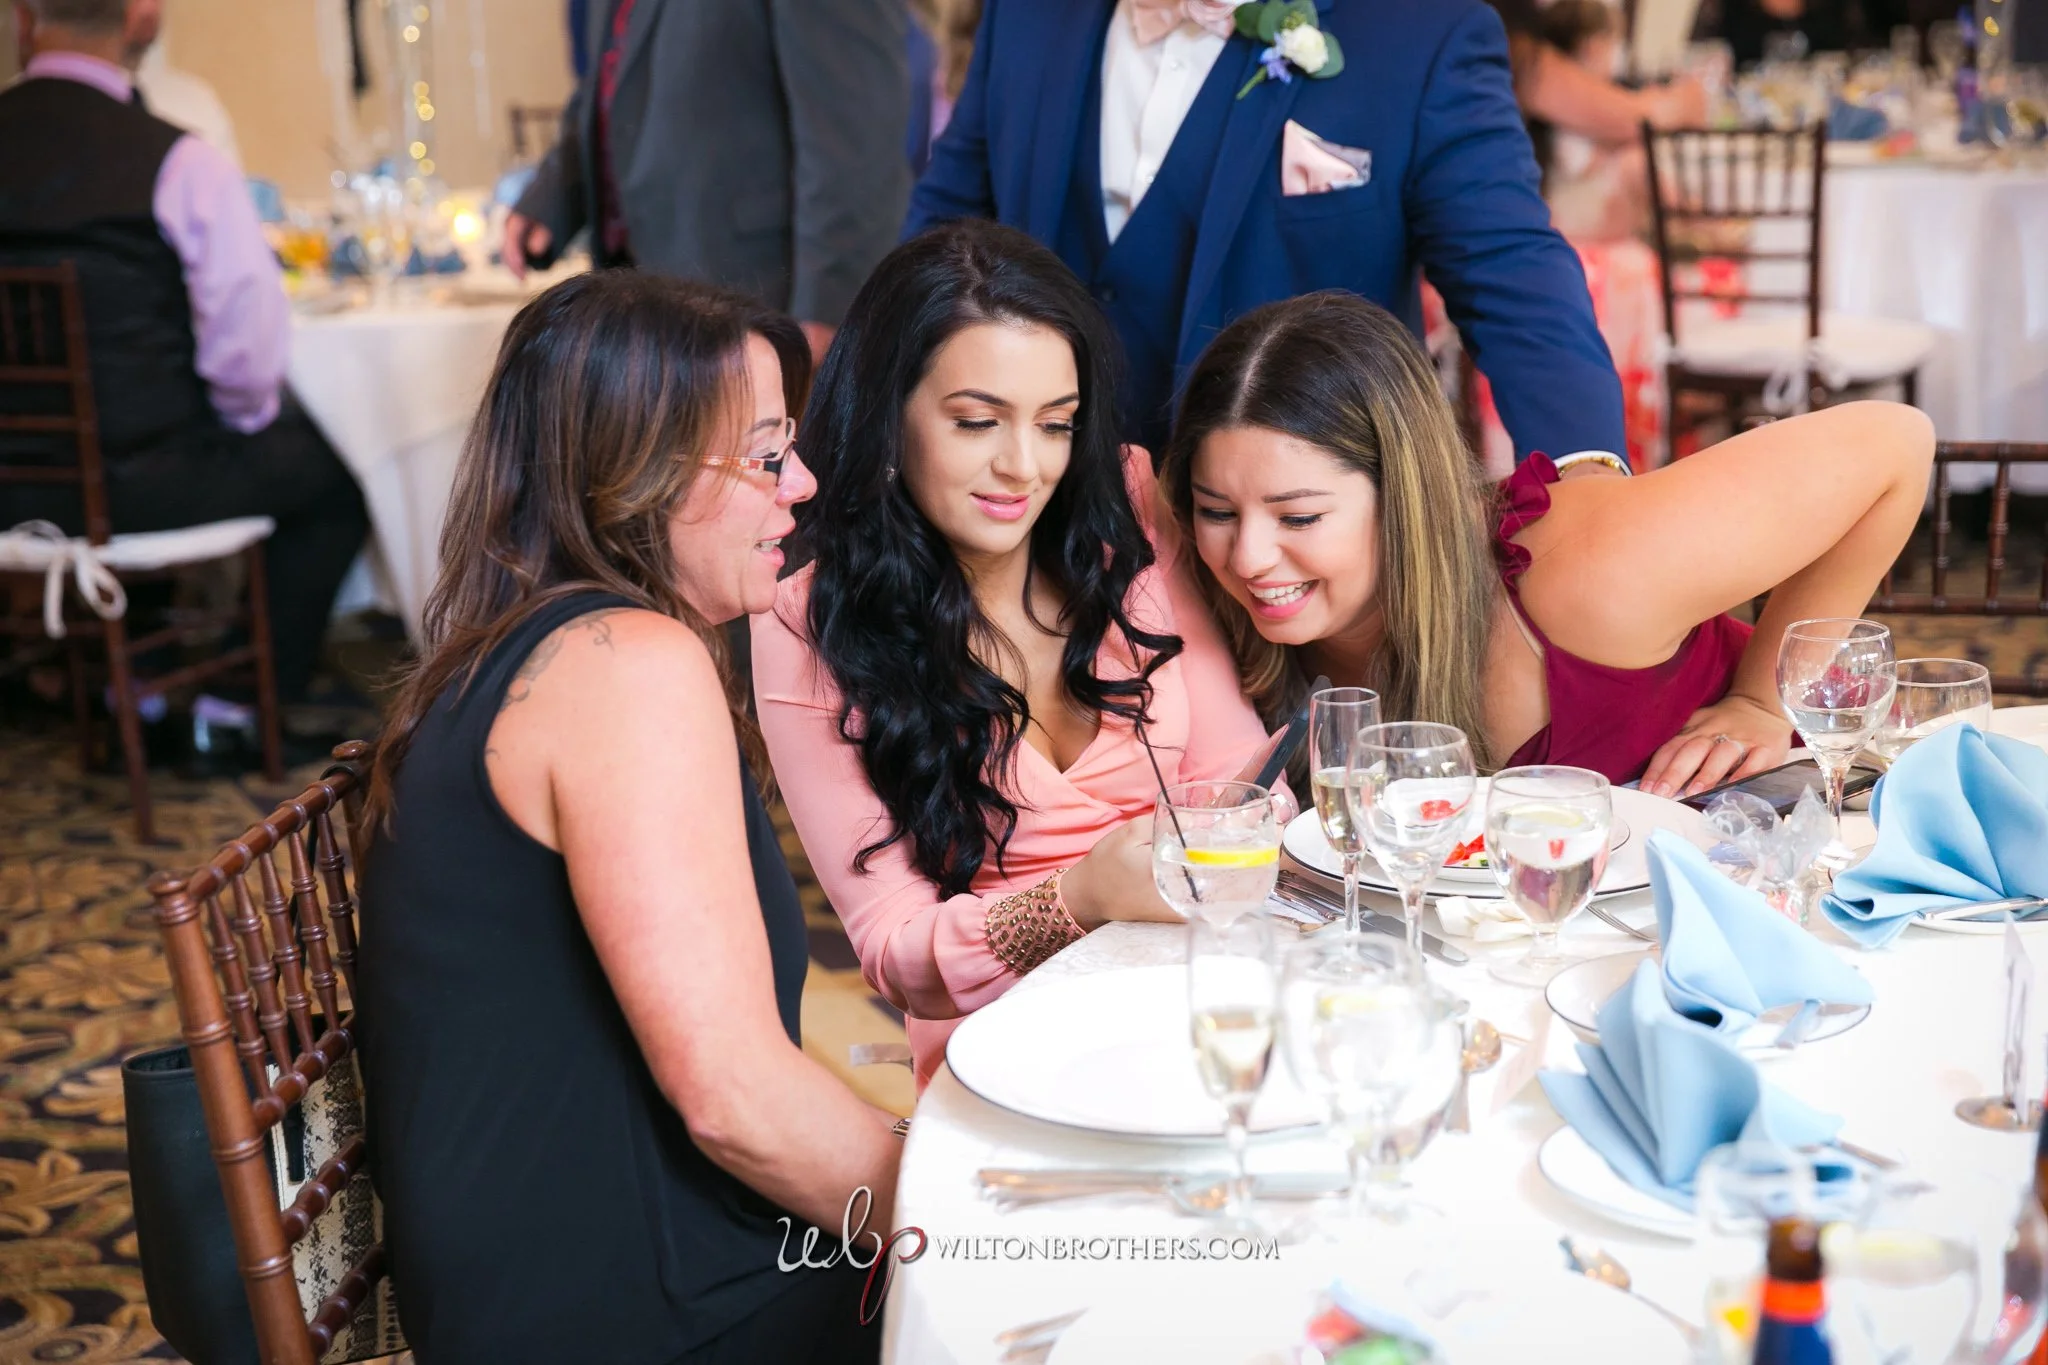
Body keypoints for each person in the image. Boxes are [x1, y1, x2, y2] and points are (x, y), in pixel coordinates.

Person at [357, 272, 900, 1363]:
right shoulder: (625, 668)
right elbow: (733, 1098)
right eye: (765, 455)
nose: (800, 485)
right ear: (634, 474)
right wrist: (972, 1220)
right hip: (621, 1308)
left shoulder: (527, 648)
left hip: (569, 1263)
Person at [754, 221, 1270, 1086]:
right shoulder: (806, 620)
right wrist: (1077, 900)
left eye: (1057, 424)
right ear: (889, 415)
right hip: (1011, 1063)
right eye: (976, 421)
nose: (1024, 467)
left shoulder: (1126, 506)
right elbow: (894, 948)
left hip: (1197, 1006)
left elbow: (1243, 778)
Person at [1159, 291, 1933, 800]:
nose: (1248, 558)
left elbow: (1896, 443)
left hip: (1784, 850)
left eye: (1298, 518)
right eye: (1215, 509)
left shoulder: (1583, 570)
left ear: (1407, 497)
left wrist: (1764, 699)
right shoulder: (1204, 594)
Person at [906, 0, 1627, 461]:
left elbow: (1512, 278)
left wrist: (1584, 477)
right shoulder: (1027, 12)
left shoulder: (1421, 30)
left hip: (1282, 559)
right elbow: (944, 232)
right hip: (1037, 523)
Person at [0, 0, 368, 718]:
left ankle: (135, 675)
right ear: (134, 20)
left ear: (24, 20)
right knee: (338, 480)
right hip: (140, 483)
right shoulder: (179, 162)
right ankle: (232, 707)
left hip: (9, 487)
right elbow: (246, 358)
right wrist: (240, 420)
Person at [503, 0, 911, 363]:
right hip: (643, 304)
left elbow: (858, 133)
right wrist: (556, 192)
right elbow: (611, 75)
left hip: (764, 301)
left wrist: (831, 306)